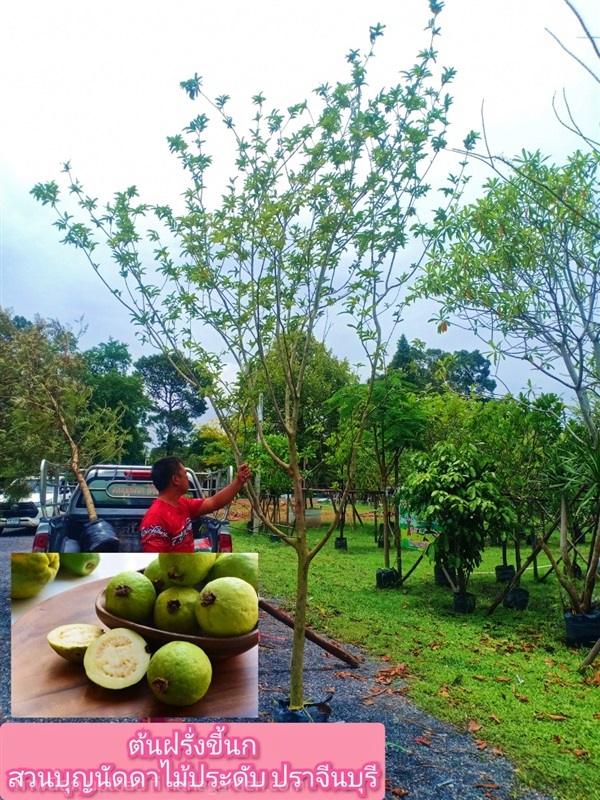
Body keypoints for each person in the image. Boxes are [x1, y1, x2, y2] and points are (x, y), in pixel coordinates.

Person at [140, 456, 252, 553]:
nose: (187, 479)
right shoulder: (155, 519)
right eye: (185, 474)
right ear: (175, 480)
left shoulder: (182, 503)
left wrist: (239, 481)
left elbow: (213, 502)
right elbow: (154, 564)